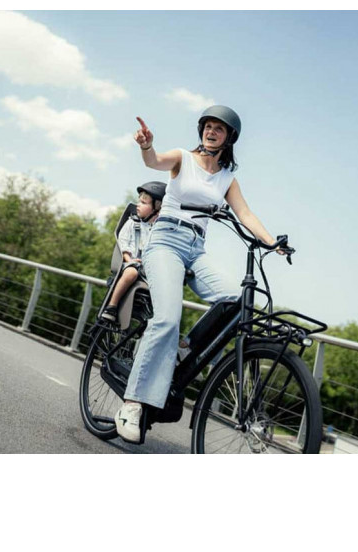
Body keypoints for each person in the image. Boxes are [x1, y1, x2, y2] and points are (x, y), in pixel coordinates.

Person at [115, 105, 285, 443]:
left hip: (196, 248)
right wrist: (147, 145)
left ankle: (184, 346)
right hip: (165, 241)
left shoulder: (226, 178)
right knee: (166, 318)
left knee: (236, 301)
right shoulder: (183, 158)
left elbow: (245, 213)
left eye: (219, 129)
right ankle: (132, 404)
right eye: (207, 126)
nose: (211, 131)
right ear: (201, 131)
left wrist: (272, 242)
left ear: (229, 138)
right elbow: (154, 162)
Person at [101, 182, 166, 322]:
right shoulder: (132, 223)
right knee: (132, 272)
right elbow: (123, 243)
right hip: (129, 264)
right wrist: (129, 260)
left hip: (148, 270)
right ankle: (111, 306)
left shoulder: (159, 230)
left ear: (157, 208)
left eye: (143, 202)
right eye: (139, 201)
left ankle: (152, 320)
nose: (138, 204)